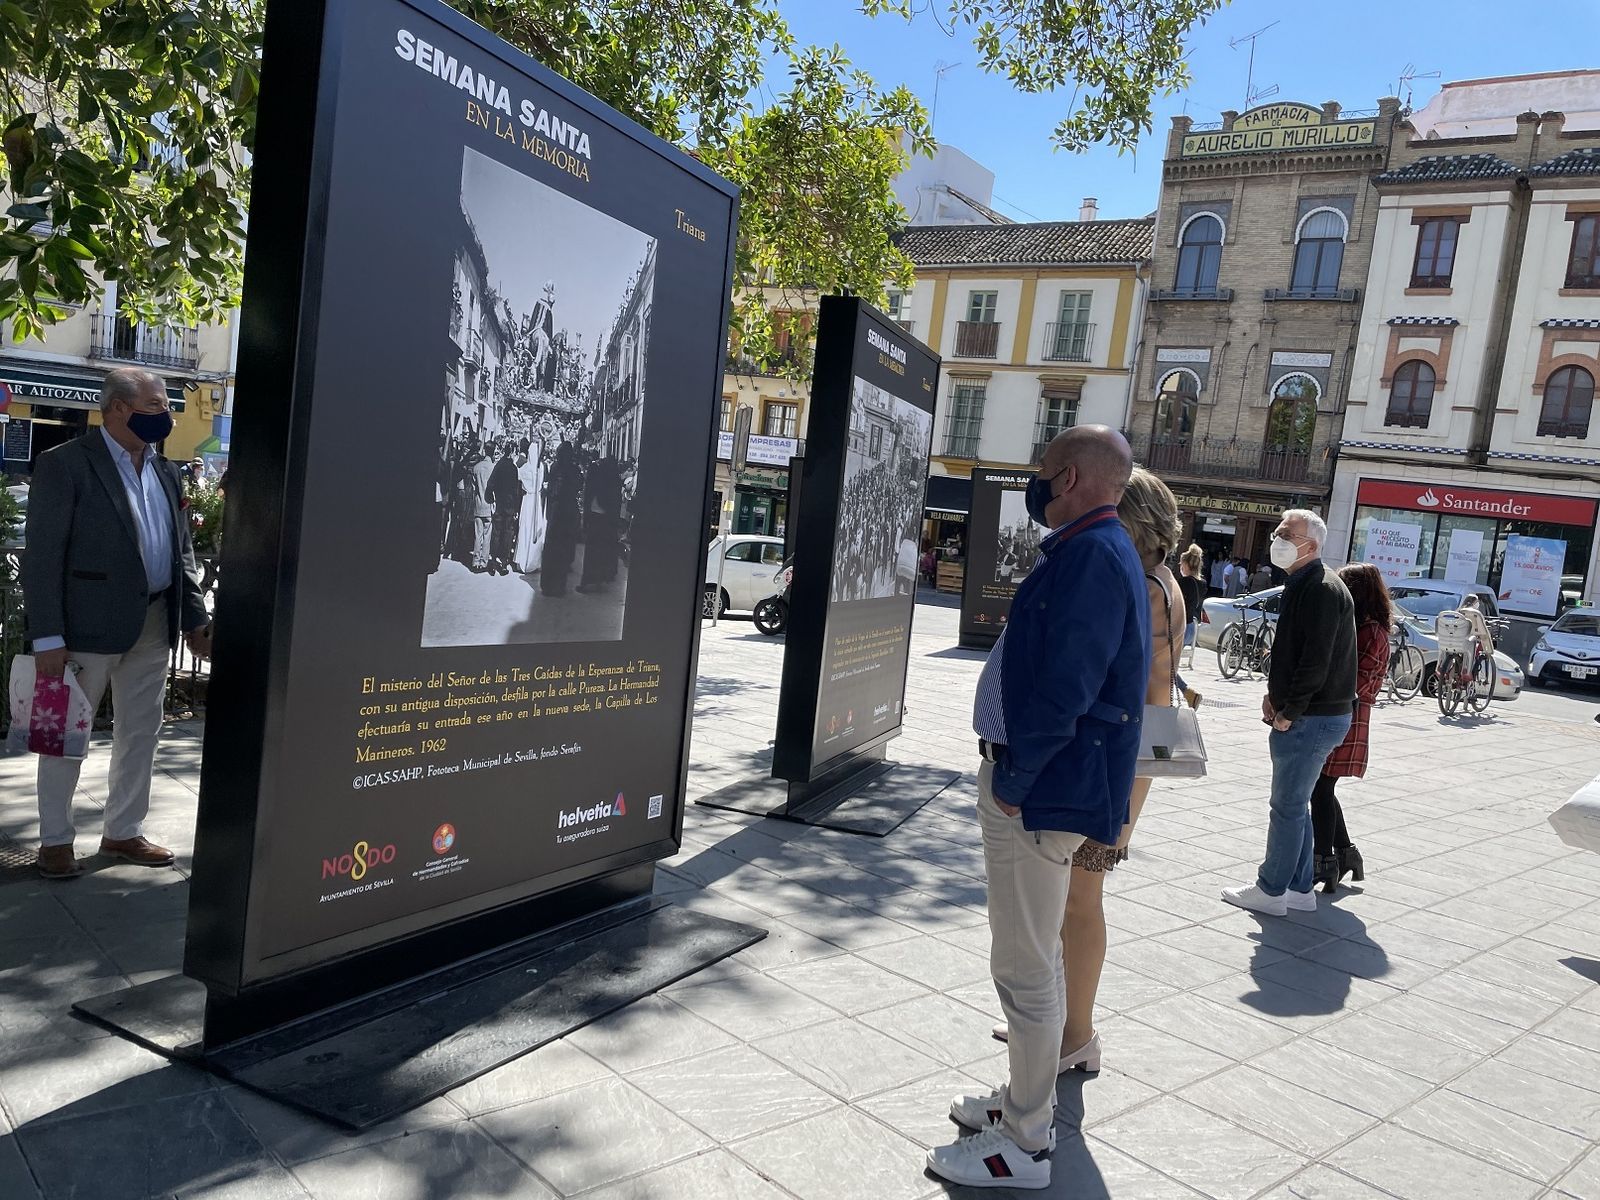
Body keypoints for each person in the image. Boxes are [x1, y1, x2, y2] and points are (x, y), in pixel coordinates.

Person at [929, 426, 1149, 1191]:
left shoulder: (1092, 555)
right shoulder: (1096, 546)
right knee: (1037, 961)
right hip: (1050, 786)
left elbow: (1067, 689)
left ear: (1069, 477)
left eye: (1041, 473)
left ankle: (1022, 1143)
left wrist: (1015, 781)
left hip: (1041, 791)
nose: (1035, 484)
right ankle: (1025, 1103)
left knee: (1023, 967)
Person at [986, 468, 1187, 1096]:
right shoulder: (1158, 580)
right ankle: (1064, 1027)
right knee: (1074, 903)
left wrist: (1125, 807)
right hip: (1122, 768)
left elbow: (1147, 694)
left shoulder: (1145, 583)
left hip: (1114, 771)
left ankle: (1073, 1033)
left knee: (1078, 903)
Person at [20, 367, 211, 879]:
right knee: (63, 735)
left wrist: (194, 618)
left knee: (141, 732)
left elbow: (182, 553)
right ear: (119, 408)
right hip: (82, 629)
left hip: (153, 621)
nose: (166, 415)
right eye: (156, 406)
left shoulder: (166, 470)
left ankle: (123, 830)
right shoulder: (66, 465)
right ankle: (55, 841)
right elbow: (42, 557)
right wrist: (48, 636)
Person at [1222, 509, 1357, 917]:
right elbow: (1295, 653)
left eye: (1287, 533)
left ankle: (1271, 888)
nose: (1277, 537)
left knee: (1286, 807)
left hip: (1310, 717)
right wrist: (1275, 696)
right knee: (1295, 806)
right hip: (1313, 713)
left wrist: (1289, 710)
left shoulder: (1318, 587)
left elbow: (1315, 660)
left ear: (1311, 546)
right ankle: (1299, 890)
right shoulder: (1309, 583)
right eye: (1279, 531)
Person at [1313, 563, 1392, 892]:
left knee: (1321, 787)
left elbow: (1356, 679)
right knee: (1323, 787)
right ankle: (1345, 854)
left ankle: (1325, 860)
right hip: (1353, 711)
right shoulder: (1370, 627)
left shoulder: (1371, 631)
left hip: (1349, 710)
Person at [540, 441, 582, 596]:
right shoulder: (574, 469)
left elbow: (551, 490)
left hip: (555, 511)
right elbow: (578, 486)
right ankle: (558, 587)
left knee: (552, 549)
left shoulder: (555, 468)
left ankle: (548, 585)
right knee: (563, 551)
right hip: (567, 512)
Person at [486, 440, 522, 576]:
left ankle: (493, 561)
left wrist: (492, 498)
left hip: (500, 504)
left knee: (496, 533)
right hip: (510, 506)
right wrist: (516, 508)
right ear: (512, 452)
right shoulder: (513, 468)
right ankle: (504, 563)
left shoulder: (499, 465)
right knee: (507, 534)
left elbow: (490, 484)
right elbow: (515, 490)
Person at [514, 437, 545, 574]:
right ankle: (533, 560)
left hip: (527, 501)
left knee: (526, 528)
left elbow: (520, 481)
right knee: (534, 528)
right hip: (536, 501)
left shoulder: (524, 468)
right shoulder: (542, 467)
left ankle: (522, 561)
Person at [1177, 544, 1205, 670]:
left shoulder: (1184, 582)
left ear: (1186, 564)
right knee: (1172, 663)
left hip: (1181, 625)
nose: (1180, 567)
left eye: (1181, 564)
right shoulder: (1202, 583)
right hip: (1191, 627)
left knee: (1168, 664)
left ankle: (1183, 688)